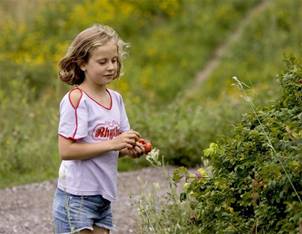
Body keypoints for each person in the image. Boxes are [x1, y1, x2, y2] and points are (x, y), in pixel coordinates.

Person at [52, 24, 146, 234]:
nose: (111, 67)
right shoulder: (76, 100)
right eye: (102, 62)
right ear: (82, 63)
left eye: (114, 60)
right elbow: (66, 151)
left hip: (103, 197)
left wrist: (128, 149)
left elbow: (112, 148)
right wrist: (113, 143)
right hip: (76, 197)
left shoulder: (116, 99)